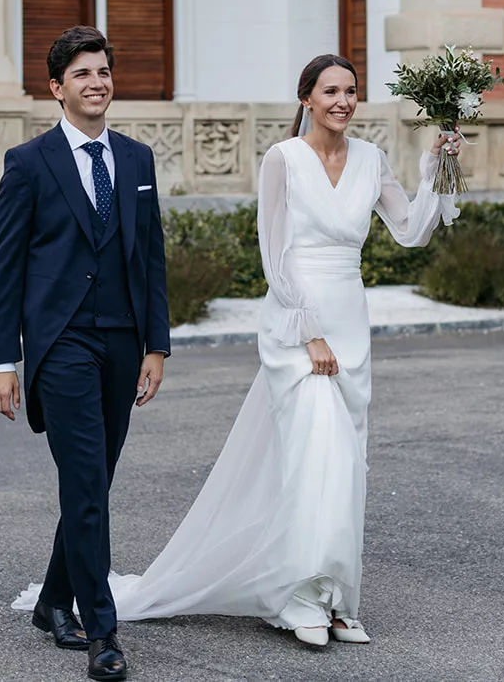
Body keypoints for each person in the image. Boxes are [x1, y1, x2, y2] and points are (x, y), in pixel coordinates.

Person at [68, 53, 458, 647]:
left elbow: (410, 229)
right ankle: (295, 596)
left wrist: (438, 164)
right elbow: (273, 255)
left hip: (351, 321)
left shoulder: (372, 160)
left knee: (346, 463)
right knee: (314, 456)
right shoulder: (283, 160)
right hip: (296, 327)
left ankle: (334, 597)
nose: (343, 102)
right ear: (306, 97)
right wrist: (309, 332)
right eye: (330, 91)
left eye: (351, 91)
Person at [0, 25, 170, 682]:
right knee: (87, 483)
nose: (97, 81)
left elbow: (151, 256)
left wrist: (157, 343)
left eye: (104, 71)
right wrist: (2, 359)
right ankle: (103, 631)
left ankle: (51, 600)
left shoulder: (138, 159)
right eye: (82, 73)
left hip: (122, 342)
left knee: (91, 483)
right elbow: (4, 269)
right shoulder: (29, 163)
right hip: (60, 343)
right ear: (57, 88)